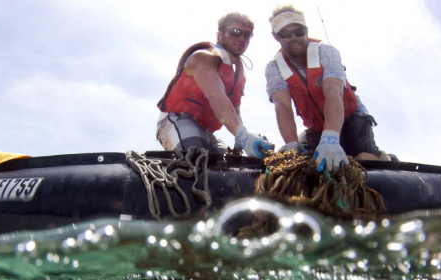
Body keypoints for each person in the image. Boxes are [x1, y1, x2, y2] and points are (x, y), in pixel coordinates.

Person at [265, 5, 391, 172]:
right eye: (286, 33)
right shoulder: (274, 67)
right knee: (314, 166)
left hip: (350, 115)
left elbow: (334, 92)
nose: (294, 37)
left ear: (306, 30)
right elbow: (283, 107)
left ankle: (383, 156)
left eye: (299, 31)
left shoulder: (326, 52)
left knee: (363, 161)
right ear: (275, 36)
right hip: (317, 125)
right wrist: (292, 144)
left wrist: (331, 137)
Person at [157, 12, 273, 158]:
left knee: (231, 169)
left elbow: (235, 110)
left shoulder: (238, 74)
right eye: (236, 32)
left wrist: (241, 139)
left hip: (207, 131)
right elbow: (216, 95)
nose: (242, 38)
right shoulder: (203, 57)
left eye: (247, 35)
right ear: (220, 35)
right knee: (197, 160)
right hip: (178, 118)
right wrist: (243, 135)